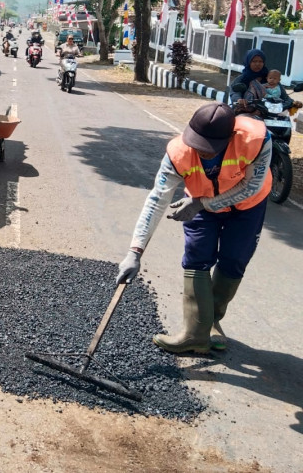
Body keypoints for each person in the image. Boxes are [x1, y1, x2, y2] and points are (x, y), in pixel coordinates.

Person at [116, 103, 272, 354]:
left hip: (246, 207)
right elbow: (157, 200)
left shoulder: (257, 139)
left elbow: (251, 186)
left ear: (229, 137)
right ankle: (195, 334)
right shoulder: (177, 153)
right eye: (197, 144)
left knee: (234, 260)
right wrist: (135, 251)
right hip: (198, 204)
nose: (201, 152)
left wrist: (204, 203)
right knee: (197, 257)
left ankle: (211, 322)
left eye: (209, 149)